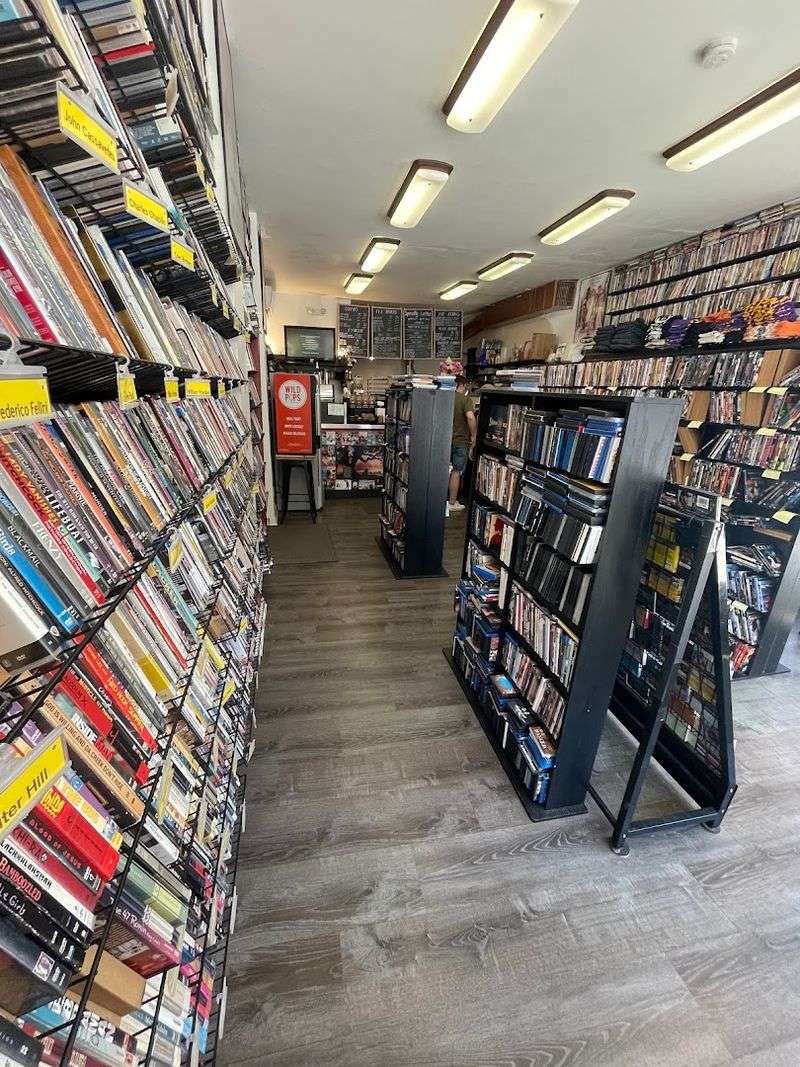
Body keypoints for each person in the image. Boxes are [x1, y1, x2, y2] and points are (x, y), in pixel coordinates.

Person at [449, 375, 476, 512]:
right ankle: (452, 503)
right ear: (462, 385)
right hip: (460, 441)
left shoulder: (445, 397)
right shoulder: (465, 399)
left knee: (443, 470)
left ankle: (437, 499)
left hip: (444, 441)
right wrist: (473, 435)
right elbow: (470, 417)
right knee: (456, 471)